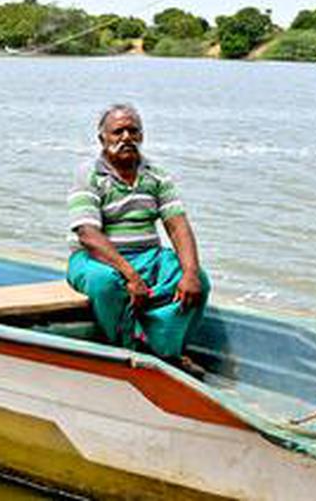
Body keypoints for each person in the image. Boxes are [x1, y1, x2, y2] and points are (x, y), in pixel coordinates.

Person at [66, 104, 210, 369]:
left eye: (133, 131)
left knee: (197, 280)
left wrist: (189, 272)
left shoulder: (155, 175)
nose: (126, 138)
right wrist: (131, 276)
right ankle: (129, 348)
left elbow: (178, 226)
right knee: (105, 284)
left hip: (148, 255)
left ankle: (167, 348)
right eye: (117, 132)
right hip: (96, 259)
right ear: (102, 139)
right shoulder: (89, 174)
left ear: (141, 136)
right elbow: (87, 234)